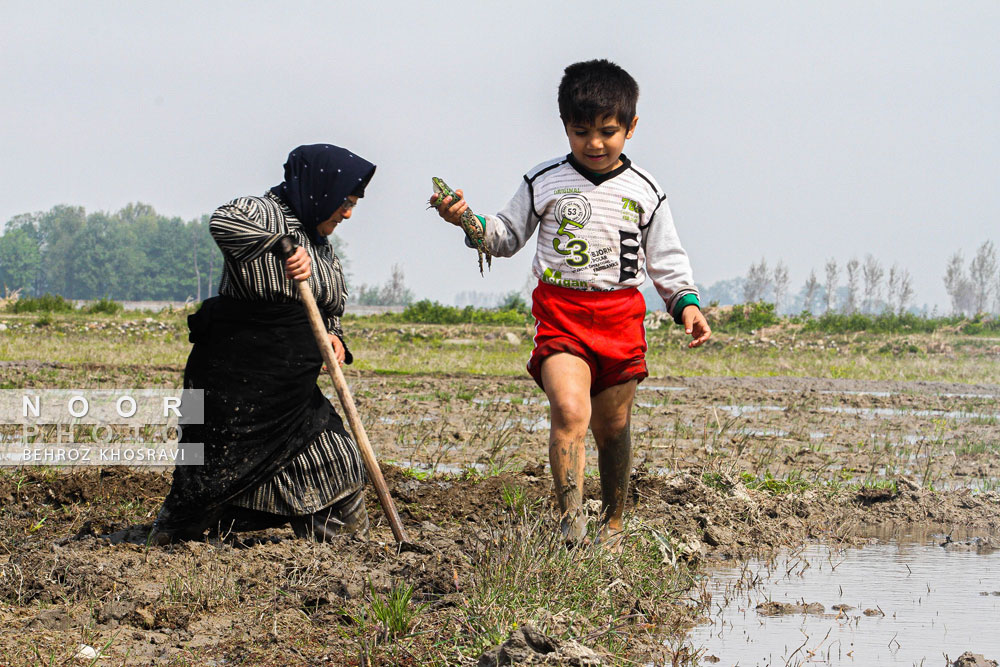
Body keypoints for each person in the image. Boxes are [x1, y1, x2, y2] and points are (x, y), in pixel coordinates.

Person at [430, 60, 711, 548]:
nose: (595, 144)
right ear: (564, 127)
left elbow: (666, 260)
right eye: (581, 132)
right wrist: (466, 221)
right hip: (561, 314)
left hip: (621, 317)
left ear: (631, 127)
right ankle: (571, 526)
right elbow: (505, 235)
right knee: (568, 410)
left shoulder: (646, 191)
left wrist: (686, 304)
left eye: (608, 132)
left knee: (614, 425)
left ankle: (615, 522)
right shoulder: (544, 180)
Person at [151, 144, 376, 544]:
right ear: (321, 188)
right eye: (345, 202)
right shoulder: (262, 211)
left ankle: (347, 553)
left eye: (353, 204)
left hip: (290, 390)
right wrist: (280, 245)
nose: (348, 213)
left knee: (339, 458)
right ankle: (175, 540)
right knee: (205, 487)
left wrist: (334, 336)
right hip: (236, 385)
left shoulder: (321, 241)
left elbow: (330, 302)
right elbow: (222, 222)